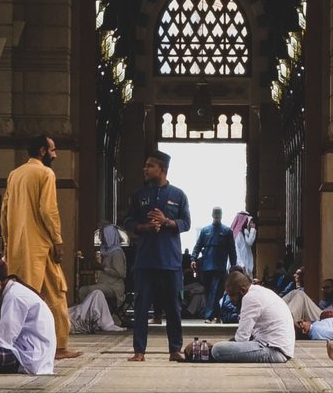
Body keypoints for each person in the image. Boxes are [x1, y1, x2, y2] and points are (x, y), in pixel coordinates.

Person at [0, 135, 80, 359]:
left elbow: (4, 213)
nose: (55, 155)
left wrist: (8, 245)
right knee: (56, 294)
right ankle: (59, 346)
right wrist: (58, 241)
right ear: (43, 151)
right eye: (53, 151)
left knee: (20, 297)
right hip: (40, 249)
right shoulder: (45, 173)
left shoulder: (14, 174)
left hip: (18, 250)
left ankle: (21, 344)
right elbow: (48, 211)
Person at [124, 150, 190, 362]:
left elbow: (186, 223)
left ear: (162, 169)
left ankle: (174, 350)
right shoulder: (139, 195)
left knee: (173, 308)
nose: (145, 169)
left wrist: (167, 222)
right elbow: (128, 222)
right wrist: (144, 227)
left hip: (170, 261)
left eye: (150, 166)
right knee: (142, 307)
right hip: (145, 261)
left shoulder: (178, 195)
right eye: (145, 166)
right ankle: (139, 351)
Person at [0, 258, 55, 374]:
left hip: (29, 359)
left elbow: (4, 340)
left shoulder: (14, 297)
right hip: (21, 349)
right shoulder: (10, 292)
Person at [211, 272, 294, 363]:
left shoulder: (249, 298)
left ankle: (205, 353)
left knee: (217, 350)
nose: (231, 300)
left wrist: (211, 348)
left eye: (232, 295)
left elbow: (241, 339)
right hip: (278, 348)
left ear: (242, 290)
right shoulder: (258, 292)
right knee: (223, 347)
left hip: (274, 350)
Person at [191, 207, 237, 323]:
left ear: (221, 215)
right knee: (209, 291)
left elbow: (232, 251)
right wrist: (193, 259)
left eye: (218, 214)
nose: (217, 216)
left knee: (215, 290)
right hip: (206, 266)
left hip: (219, 266)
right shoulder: (205, 231)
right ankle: (217, 315)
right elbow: (198, 246)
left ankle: (209, 316)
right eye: (215, 214)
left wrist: (234, 267)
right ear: (212, 215)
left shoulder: (227, 231)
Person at [79, 224, 127, 306]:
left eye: (103, 236)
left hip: (113, 287)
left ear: (109, 236)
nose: (101, 239)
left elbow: (120, 273)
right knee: (85, 290)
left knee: (85, 291)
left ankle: (86, 313)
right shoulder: (108, 253)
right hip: (105, 284)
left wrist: (103, 268)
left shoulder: (116, 253)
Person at [230, 212, 256, 277]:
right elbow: (236, 251)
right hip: (240, 267)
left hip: (246, 267)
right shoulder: (237, 235)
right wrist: (241, 265)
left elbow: (250, 242)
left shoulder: (244, 233)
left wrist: (252, 230)